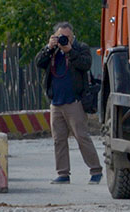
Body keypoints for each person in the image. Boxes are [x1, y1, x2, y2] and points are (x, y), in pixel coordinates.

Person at [35, 22, 103, 185]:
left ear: (73, 37)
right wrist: (48, 48)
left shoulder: (81, 48)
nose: (64, 40)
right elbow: (39, 63)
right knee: (58, 139)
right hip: (56, 102)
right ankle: (63, 173)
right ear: (55, 37)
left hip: (74, 101)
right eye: (61, 37)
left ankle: (96, 171)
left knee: (82, 137)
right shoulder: (52, 51)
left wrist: (70, 51)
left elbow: (85, 64)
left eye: (67, 37)